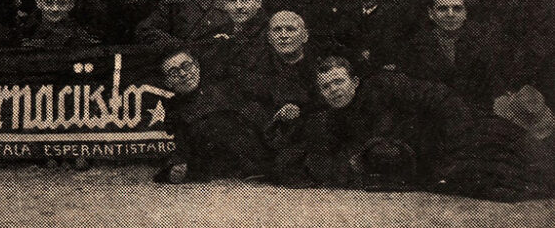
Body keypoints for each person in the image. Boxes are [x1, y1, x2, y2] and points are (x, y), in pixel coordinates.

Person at [296, 56, 471, 190]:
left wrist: (453, 158)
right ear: (321, 94)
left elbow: (443, 98)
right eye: (326, 87)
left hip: (440, 150)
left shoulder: (385, 86)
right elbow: (334, 161)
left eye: (339, 81)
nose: (334, 89)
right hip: (403, 172)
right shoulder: (333, 120)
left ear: (355, 82)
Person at [153, 47, 271, 183]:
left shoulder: (225, 89)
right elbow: (183, 147)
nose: (183, 74)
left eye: (186, 66)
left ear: (197, 66)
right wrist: (174, 167)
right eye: (174, 72)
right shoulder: (176, 109)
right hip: (225, 171)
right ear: (168, 82)